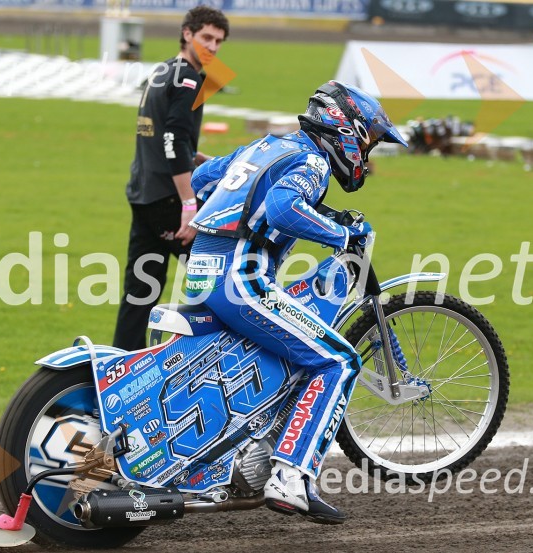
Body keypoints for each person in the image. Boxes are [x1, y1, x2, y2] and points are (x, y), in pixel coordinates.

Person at [185, 81, 408, 523]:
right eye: (368, 145)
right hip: (239, 279)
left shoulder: (267, 146)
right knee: (338, 360)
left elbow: (203, 178)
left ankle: (252, 451)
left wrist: (238, 213)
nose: (366, 159)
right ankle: (290, 479)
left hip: (203, 272)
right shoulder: (312, 161)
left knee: (295, 352)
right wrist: (342, 234)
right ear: (347, 132)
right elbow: (284, 208)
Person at [112, 6, 230, 350]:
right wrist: (189, 205)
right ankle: (207, 359)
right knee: (222, 284)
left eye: (219, 41)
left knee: (139, 293)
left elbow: (162, 135)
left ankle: (121, 365)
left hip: (143, 194)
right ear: (187, 33)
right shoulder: (189, 79)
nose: (212, 47)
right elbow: (173, 140)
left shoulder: (163, 70)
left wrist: (195, 155)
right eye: (206, 37)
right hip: (170, 199)